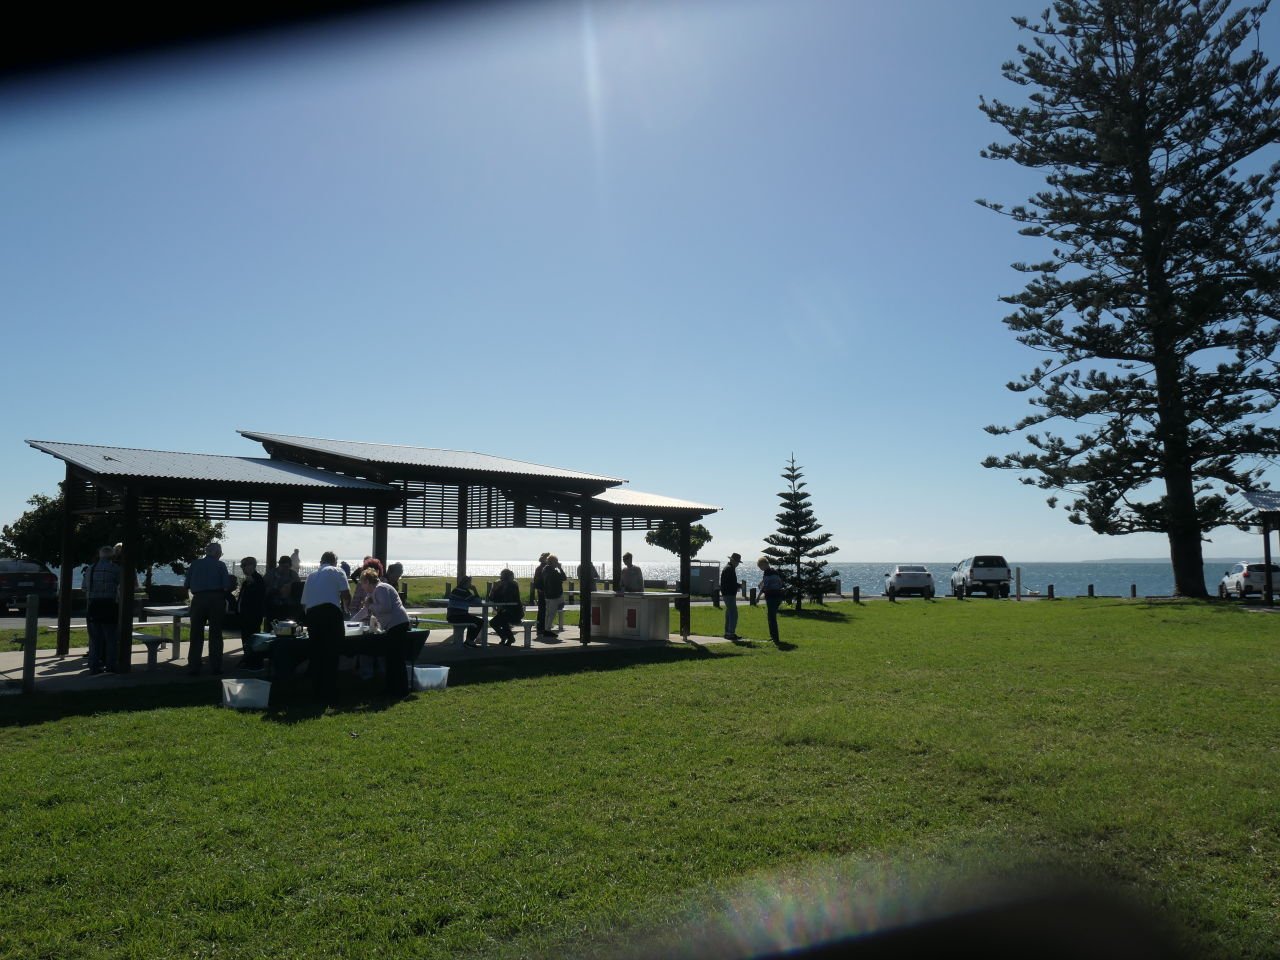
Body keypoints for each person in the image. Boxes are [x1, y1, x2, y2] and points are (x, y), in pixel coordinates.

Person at [349, 568, 411, 697]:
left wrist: (370, 606)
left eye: (363, 584)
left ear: (367, 581)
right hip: (393, 625)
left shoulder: (381, 588)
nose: (362, 587)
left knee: (396, 659)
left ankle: (399, 689)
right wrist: (350, 623)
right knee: (392, 659)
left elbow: (385, 608)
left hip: (397, 624)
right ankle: (395, 688)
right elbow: (365, 611)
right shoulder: (372, 593)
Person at [300, 551, 352, 699]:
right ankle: (329, 690)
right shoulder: (338, 571)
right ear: (334, 561)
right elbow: (346, 595)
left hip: (312, 615)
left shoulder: (311, 576)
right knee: (331, 653)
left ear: (321, 561)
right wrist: (347, 609)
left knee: (317, 654)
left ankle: (316, 690)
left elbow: (304, 603)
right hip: (330, 613)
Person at [185, 542, 234, 675]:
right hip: (216, 600)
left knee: (195, 634)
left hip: (198, 599)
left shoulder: (195, 564)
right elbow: (226, 585)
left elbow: (186, 584)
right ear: (218, 553)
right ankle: (216, 666)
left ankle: (194, 666)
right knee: (216, 634)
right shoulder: (220, 565)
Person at [83, 545, 122, 674]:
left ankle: (94, 666)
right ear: (112, 556)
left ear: (99, 555)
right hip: (110, 606)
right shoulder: (115, 569)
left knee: (95, 639)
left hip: (93, 606)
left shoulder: (90, 569)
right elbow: (122, 585)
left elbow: (84, 587)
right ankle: (111, 665)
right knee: (111, 639)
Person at [237, 557, 267, 670]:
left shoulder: (257, 579)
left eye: (244, 565)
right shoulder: (248, 580)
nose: (242, 568)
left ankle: (254, 662)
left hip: (252, 614)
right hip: (246, 614)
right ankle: (248, 660)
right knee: (246, 638)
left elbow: (258, 596)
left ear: (252, 566)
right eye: (242, 566)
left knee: (251, 637)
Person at [488, 568, 524, 646]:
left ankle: (510, 638)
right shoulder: (501, 586)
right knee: (493, 623)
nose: (501, 579)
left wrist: (501, 604)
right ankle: (505, 637)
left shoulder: (513, 586)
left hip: (514, 612)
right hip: (505, 612)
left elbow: (509, 600)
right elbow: (492, 598)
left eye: (502, 577)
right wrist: (494, 589)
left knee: (502, 621)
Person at [446, 575, 484, 646]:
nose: (471, 585)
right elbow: (478, 602)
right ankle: (469, 641)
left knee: (472, 620)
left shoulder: (455, 590)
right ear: (467, 583)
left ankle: (469, 641)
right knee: (480, 621)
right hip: (459, 616)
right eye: (470, 583)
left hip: (450, 616)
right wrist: (475, 590)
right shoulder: (465, 592)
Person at [264, 555, 300, 626]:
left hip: (289, 608)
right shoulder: (270, 574)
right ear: (279, 565)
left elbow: (298, 590)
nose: (285, 569)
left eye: (287, 567)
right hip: (273, 607)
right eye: (283, 567)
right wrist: (277, 590)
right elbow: (263, 589)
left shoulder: (293, 575)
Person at [757, 557, 786, 645]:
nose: (760, 569)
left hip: (772, 597)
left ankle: (775, 638)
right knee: (772, 617)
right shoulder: (774, 571)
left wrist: (758, 597)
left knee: (771, 618)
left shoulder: (767, 573)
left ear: (764, 564)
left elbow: (765, 586)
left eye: (760, 566)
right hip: (778, 596)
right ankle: (774, 637)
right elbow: (780, 583)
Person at [541, 554, 566, 637]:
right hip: (554, 595)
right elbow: (563, 577)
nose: (557, 563)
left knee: (548, 613)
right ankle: (547, 630)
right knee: (551, 613)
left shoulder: (545, 570)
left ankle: (546, 629)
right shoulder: (552, 571)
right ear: (552, 562)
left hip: (548, 594)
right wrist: (560, 568)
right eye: (556, 562)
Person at [721, 552, 743, 640]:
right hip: (729, 594)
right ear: (732, 560)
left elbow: (728, 582)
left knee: (729, 613)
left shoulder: (729, 568)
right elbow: (730, 583)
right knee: (733, 614)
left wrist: (737, 585)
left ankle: (727, 632)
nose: (737, 564)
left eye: (738, 562)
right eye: (736, 562)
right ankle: (730, 633)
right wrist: (739, 586)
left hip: (727, 593)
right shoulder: (729, 569)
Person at [532, 552, 549, 631]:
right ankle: (542, 626)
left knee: (542, 609)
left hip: (542, 591)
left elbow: (535, 581)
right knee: (543, 609)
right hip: (544, 591)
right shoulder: (544, 568)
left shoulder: (539, 568)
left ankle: (541, 626)